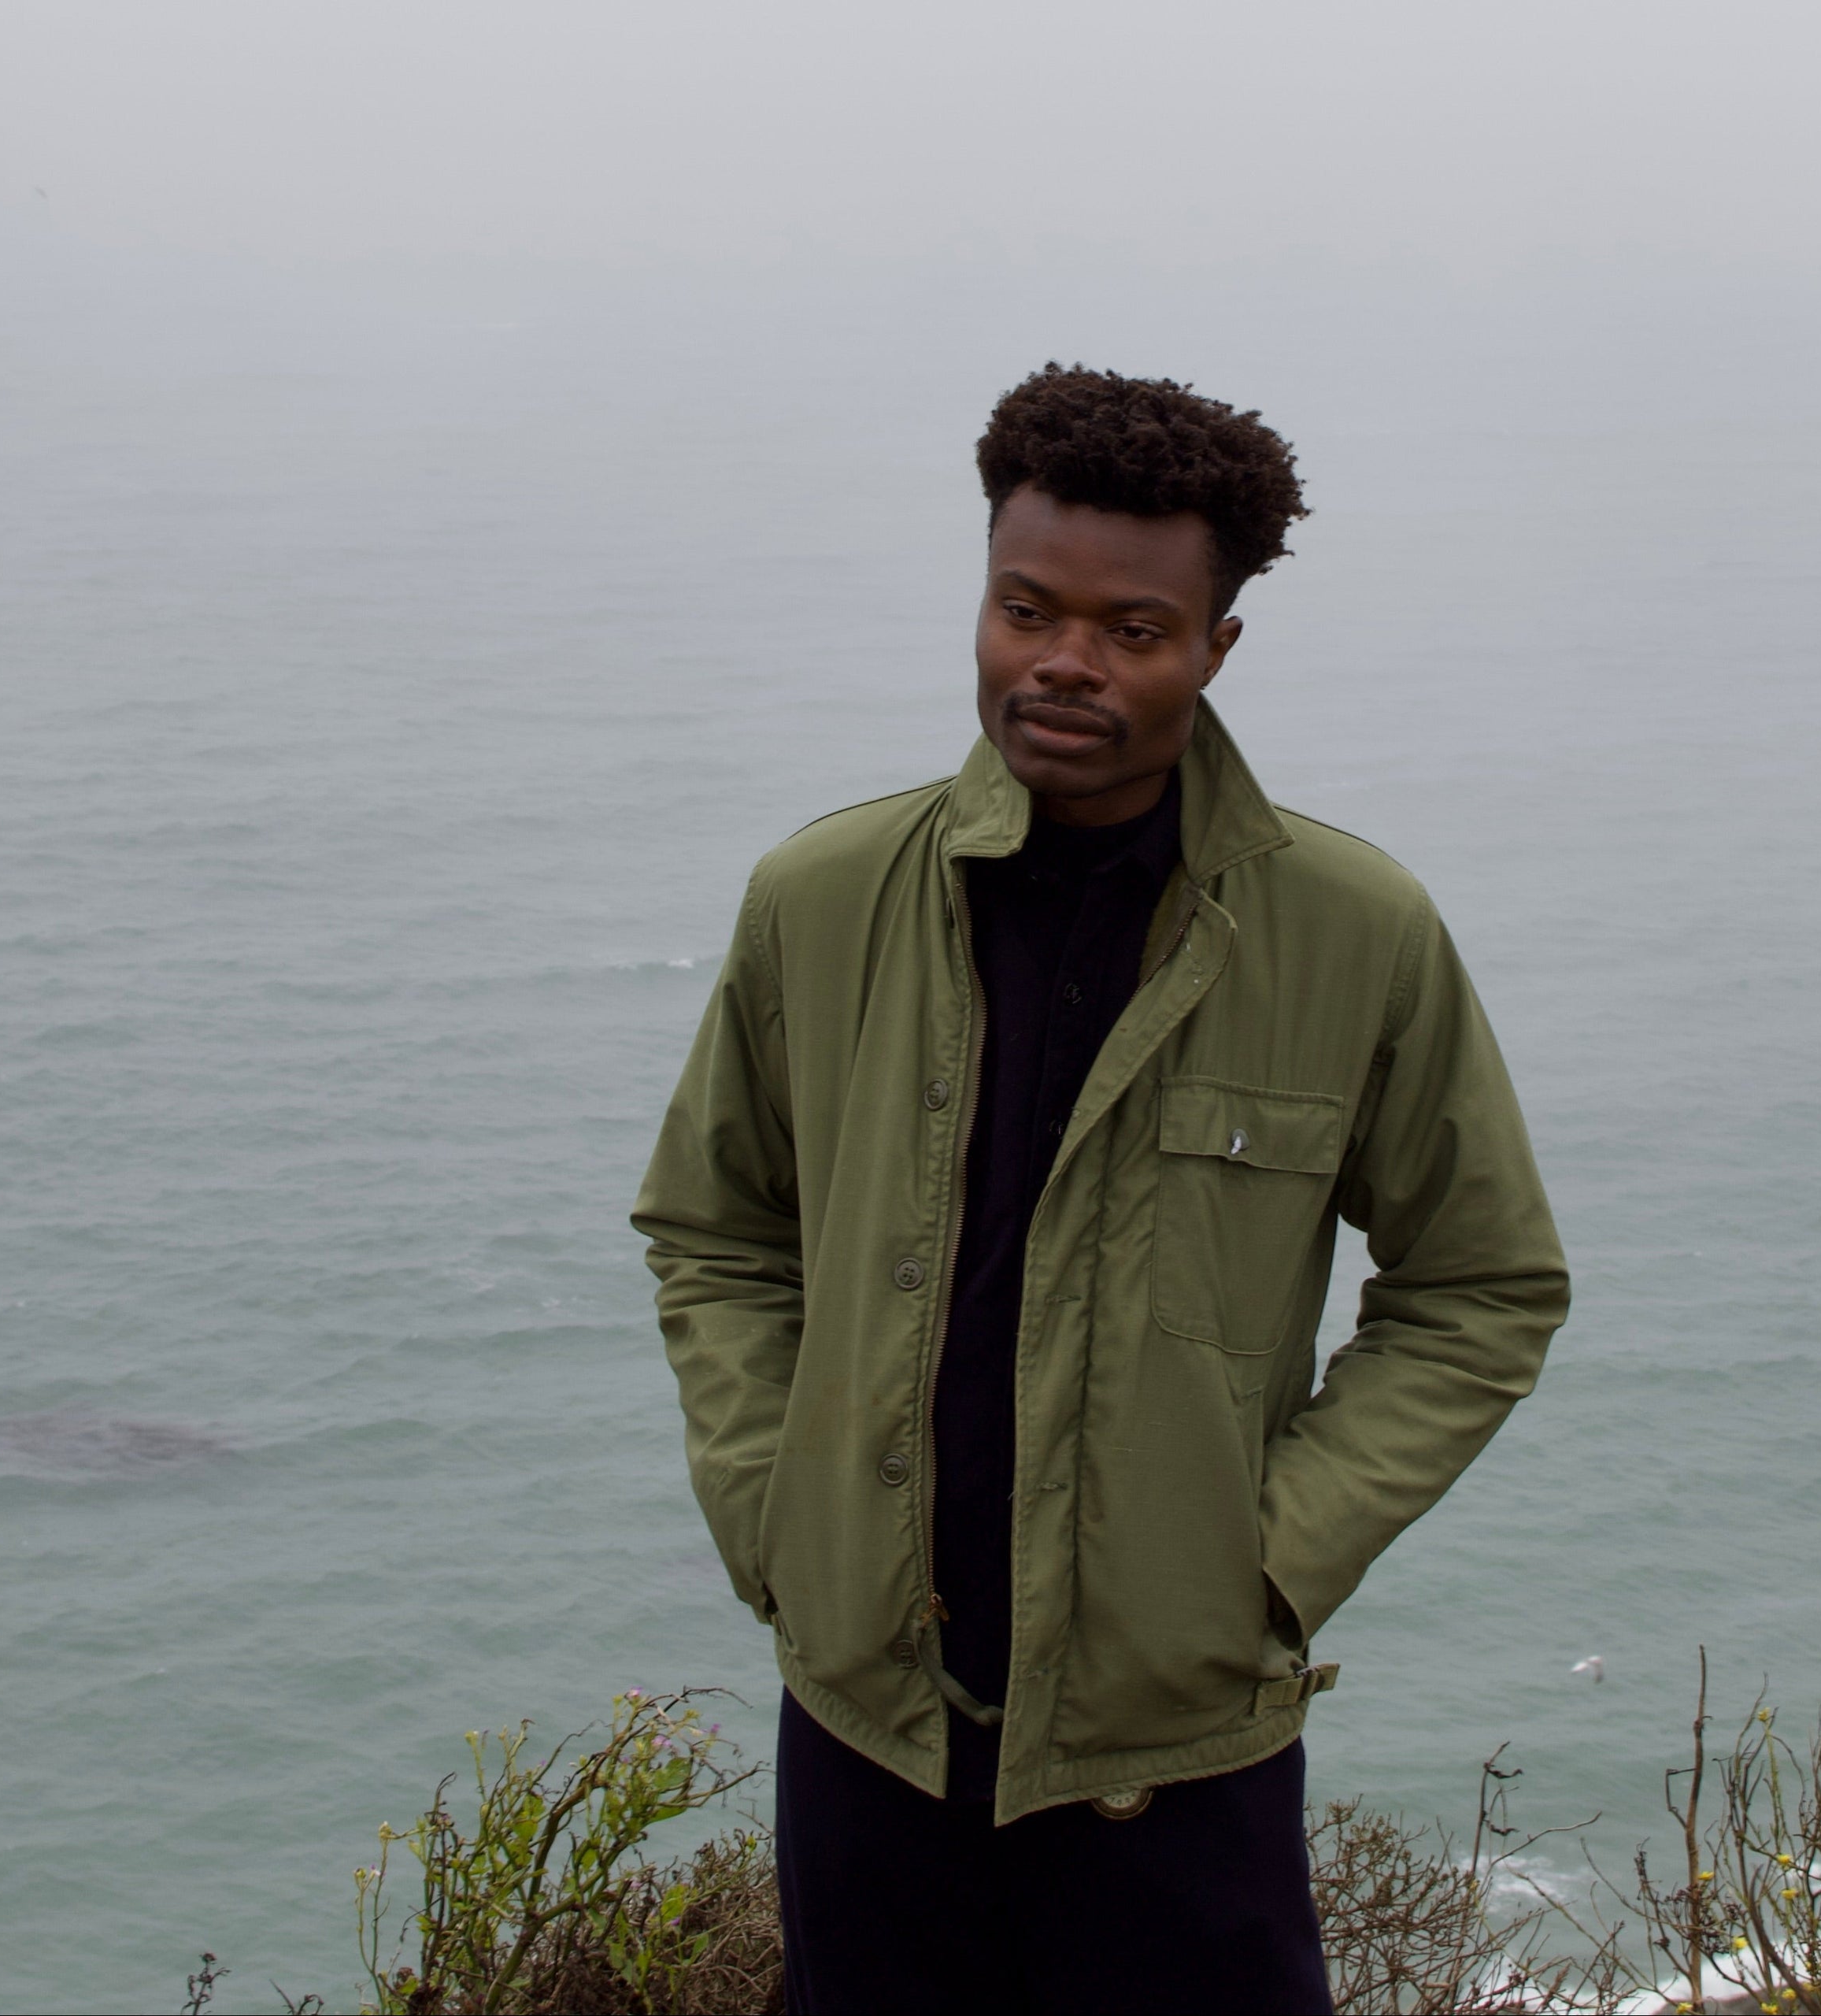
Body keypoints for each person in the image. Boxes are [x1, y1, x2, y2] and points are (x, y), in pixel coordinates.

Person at [635, 364, 1567, 2014]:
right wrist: (775, 1503)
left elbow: (1482, 1284)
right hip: (869, 1720)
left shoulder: (1354, 935)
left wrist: (1271, 1561)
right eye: (1024, 608)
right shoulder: (824, 898)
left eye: (1133, 628)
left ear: (1215, 649)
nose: (1064, 661)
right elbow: (715, 1226)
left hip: (1174, 1742)